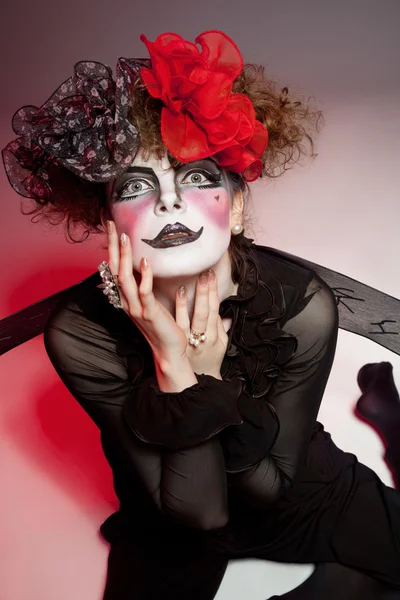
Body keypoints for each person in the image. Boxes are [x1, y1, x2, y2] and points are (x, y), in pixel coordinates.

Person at [2, 30, 400, 600]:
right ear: (109, 222)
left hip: (296, 492)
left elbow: (268, 491)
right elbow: (202, 515)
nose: (168, 202)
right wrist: (176, 365)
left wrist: (208, 377)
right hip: (172, 518)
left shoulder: (299, 303)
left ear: (235, 207)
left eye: (195, 178)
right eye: (137, 185)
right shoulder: (80, 332)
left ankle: (386, 413)